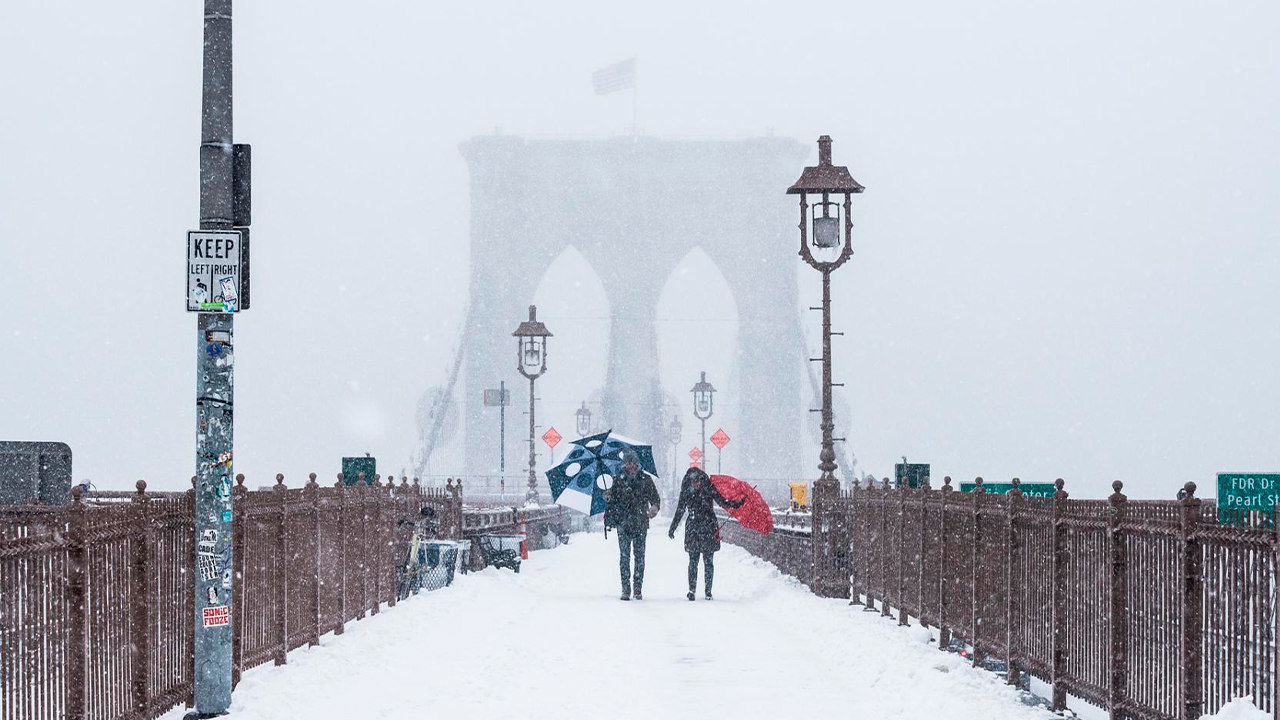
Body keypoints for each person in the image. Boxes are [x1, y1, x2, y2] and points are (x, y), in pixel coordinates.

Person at [667, 467, 744, 601]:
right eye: (693, 481)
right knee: (694, 561)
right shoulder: (692, 491)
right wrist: (673, 527)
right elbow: (679, 510)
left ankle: (707, 591)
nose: (695, 484)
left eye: (697, 481)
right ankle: (692, 590)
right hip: (699, 528)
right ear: (689, 481)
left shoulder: (708, 489)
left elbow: (723, 502)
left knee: (707, 561)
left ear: (701, 480)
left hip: (704, 528)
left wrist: (737, 504)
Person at [603, 448, 660, 601]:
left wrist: (653, 509)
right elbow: (613, 501)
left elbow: (655, 499)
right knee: (624, 557)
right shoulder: (618, 480)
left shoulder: (646, 479)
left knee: (639, 557)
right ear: (624, 464)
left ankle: (637, 588)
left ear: (638, 464)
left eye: (634, 463)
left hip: (641, 523)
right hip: (623, 523)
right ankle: (625, 589)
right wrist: (608, 496)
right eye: (629, 463)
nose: (632, 466)